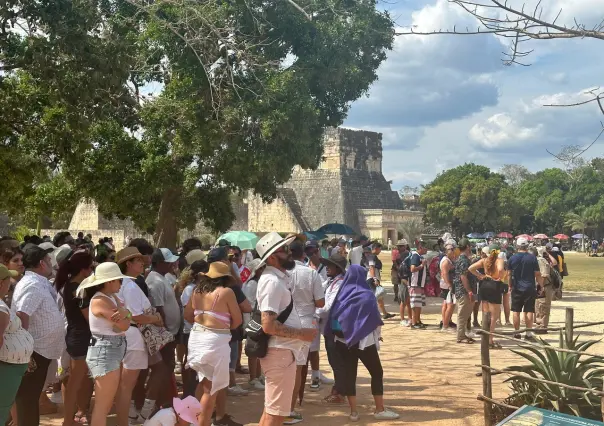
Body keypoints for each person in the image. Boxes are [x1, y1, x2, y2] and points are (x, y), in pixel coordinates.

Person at [255, 232, 317, 426]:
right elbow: (268, 325)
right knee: (277, 413)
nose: (289, 253)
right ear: (272, 257)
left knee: (273, 410)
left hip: (283, 352)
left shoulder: (278, 279)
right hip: (279, 352)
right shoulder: (272, 282)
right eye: (284, 250)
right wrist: (301, 334)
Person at [326, 265, 399, 422]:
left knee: (350, 375)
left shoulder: (341, 293)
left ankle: (353, 412)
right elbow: (375, 320)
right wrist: (378, 336)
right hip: (364, 342)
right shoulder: (366, 294)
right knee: (376, 372)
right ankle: (379, 409)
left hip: (342, 341)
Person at [12, 244, 66, 426]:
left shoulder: (38, 282)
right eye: (49, 260)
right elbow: (21, 315)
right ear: (42, 263)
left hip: (41, 350)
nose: (51, 263)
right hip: (33, 351)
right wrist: (25, 349)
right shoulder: (32, 284)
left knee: (30, 397)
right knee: (27, 398)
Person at [184, 261, 243, 426]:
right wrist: (222, 327)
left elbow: (188, 315)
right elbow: (237, 320)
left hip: (196, 338)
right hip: (215, 341)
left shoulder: (197, 291)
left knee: (202, 383)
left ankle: (190, 422)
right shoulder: (226, 292)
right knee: (212, 389)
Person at [116, 247, 166, 425]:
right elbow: (135, 315)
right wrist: (155, 318)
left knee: (127, 383)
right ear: (128, 264)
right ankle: (131, 417)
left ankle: (130, 416)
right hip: (134, 334)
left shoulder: (125, 284)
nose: (142, 263)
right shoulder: (129, 286)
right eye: (138, 261)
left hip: (130, 334)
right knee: (126, 384)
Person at [77, 263, 131, 426]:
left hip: (111, 349)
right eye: (118, 280)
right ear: (109, 281)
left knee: (105, 404)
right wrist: (125, 315)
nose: (121, 283)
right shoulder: (101, 300)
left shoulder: (110, 298)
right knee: (103, 405)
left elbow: (125, 320)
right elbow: (124, 324)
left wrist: (125, 315)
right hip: (105, 351)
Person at [54, 250, 95, 426]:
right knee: (75, 383)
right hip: (80, 338)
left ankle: (68, 419)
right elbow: (88, 316)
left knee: (74, 382)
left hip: (75, 336)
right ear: (85, 269)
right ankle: (68, 421)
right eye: (91, 267)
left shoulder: (70, 285)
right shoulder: (78, 290)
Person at [288, 241, 325, 423]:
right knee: (298, 368)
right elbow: (320, 303)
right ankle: (290, 408)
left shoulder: (280, 273)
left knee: (282, 365)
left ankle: (280, 406)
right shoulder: (310, 273)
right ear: (303, 255)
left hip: (283, 323)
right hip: (304, 321)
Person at [147, 248, 182, 409]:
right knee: (164, 367)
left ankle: (165, 398)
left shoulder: (163, 278)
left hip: (171, 331)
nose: (171, 264)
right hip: (165, 333)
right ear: (160, 263)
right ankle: (159, 401)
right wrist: (166, 332)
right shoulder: (155, 282)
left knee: (169, 366)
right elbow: (158, 308)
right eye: (168, 262)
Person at [0, 264, 33, 425]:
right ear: (1, 284)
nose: (11, 284)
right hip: (6, 368)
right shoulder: (0, 309)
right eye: (9, 281)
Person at [178, 259, 210, 397]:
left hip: (200, 331)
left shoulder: (202, 288)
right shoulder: (190, 289)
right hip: (191, 332)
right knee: (190, 363)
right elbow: (188, 314)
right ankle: (188, 394)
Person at [469, 246, 505, 348]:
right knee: (494, 316)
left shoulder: (484, 260)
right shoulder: (499, 260)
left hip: (484, 284)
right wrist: (500, 278)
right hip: (495, 285)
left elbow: (471, 268)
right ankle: (490, 340)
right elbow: (501, 269)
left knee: (486, 314)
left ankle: (485, 339)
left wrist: (480, 276)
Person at [507, 237, 542, 341]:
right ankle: (528, 333)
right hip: (529, 287)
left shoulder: (512, 258)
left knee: (516, 311)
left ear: (517, 246)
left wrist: (510, 285)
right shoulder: (532, 258)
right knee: (529, 311)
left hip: (517, 287)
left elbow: (509, 274)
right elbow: (537, 274)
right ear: (527, 246)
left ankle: (517, 333)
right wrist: (542, 285)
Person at [241, 259, 265, 390]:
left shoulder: (260, 283)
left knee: (260, 347)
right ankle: (253, 377)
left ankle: (259, 374)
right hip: (252, 319)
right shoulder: (251, 284)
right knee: (252, 348)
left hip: (259, 317)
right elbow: (249, 304)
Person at [364, 243, 394, 320]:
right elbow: (371, 268)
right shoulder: (372, 257)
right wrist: (374, 279)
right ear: (376, 248)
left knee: (378, 296)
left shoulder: (371, 256)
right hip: (371, 279)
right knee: (375, 297)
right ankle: (371, 314)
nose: (380, 251)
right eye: (380, 249)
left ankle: (384, 313)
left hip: (372, 278)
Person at [454, 239, 475, 344]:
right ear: (467, 247)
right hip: (464, 291)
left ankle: (462, 334)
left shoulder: (461, 259)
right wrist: (469, 291)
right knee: (462, 314)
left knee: (464, 314)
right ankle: (460, 336)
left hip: (460, 290)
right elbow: (463, 277)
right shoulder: (464, 260)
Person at [408, 242, 428, 329]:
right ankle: (414, 322)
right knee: (415, 304)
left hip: (419, 284)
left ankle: (418, 320)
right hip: (415, 284)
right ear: (420, 248)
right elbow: (412, 269)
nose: (426, 249)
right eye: (425, 248)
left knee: (418, 304)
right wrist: (422, 265)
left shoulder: (420, 256)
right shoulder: (415, 256)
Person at [439, 241, 457, 332]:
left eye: (453, 249)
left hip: (447, 284)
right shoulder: (446, 261)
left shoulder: (449, 260)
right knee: (450, 305)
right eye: (451, 249)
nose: (453, 251)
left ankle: (446, 322)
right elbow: (444, 274)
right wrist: (449, 285)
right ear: (446, 251)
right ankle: (445, 325)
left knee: (446, 304)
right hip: (448, 285)